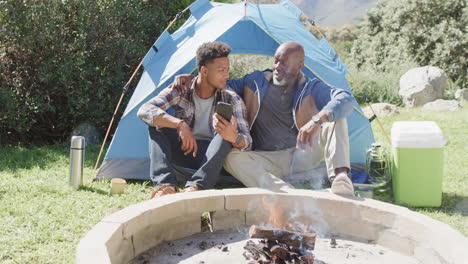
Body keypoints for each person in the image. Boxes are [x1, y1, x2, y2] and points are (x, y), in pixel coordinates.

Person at [174, 41, 356, 196]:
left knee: (336, 117)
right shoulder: (254, 81)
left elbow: (346, 99)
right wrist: (194, 79)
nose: (277, 67)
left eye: (284, 63)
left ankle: (340, 178)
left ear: (300, 65)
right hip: (266, 158)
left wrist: (317, 121)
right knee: (231, 157)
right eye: (276, 61)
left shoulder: (311, 87)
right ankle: (285, 193)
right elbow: (218, 83)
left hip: (301, 154)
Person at [137, 41, 252, 198]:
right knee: (156, 124)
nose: (227, 75)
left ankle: (197, 187)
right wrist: (179, 124)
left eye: (227, 70)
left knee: (224, 132)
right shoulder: (181, 89)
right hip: (186, 149)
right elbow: (144, 110)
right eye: (221, 70)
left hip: (214, 159)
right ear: (204, 71)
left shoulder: (232, 98)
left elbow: (248, 143)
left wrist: (234, 136)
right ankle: (166, 185)